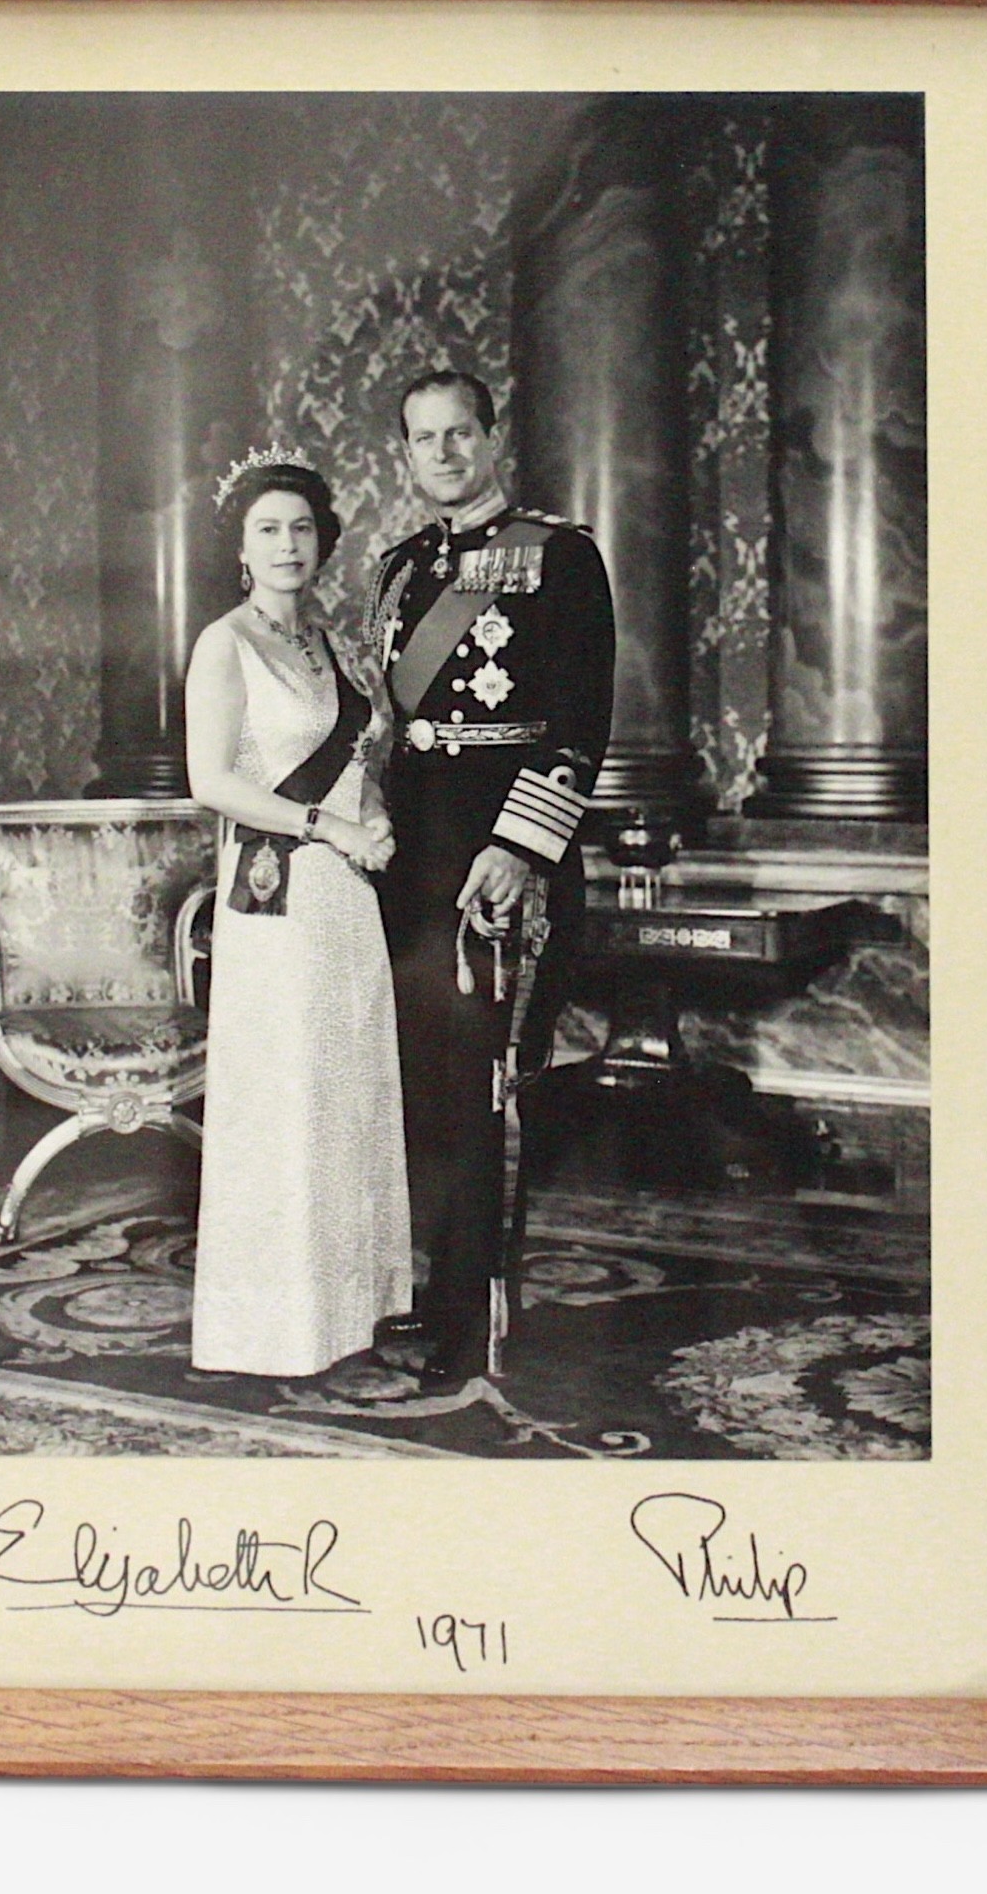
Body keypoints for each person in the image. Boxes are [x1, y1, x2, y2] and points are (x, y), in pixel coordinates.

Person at [368, 370, 615, 1387]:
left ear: (492, 438)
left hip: (499, 852)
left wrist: (519, 850)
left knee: (477, 1085)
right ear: (406, 453)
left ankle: (461, 1312)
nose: (444, 453)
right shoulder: (396, 569)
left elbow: (577, 724)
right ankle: (416, 1283)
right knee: (415, 1085)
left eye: (460, 433)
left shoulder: (560, 558)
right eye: (424, 438)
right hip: (409, 848)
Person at [184, 444, 413, 1377]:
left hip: (345, 897)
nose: (288, 545)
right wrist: (328, 824)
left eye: (302, 529)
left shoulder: (327, 644)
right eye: (268, 529)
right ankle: (273, 1328)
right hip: (274, 898)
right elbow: (213, 781)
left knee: (345, 1089)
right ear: (241, 545)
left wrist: (376, 816)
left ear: (323, 544)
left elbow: (360, 757)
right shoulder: (223, 642)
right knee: (285, 1099)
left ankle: (350, 1313)